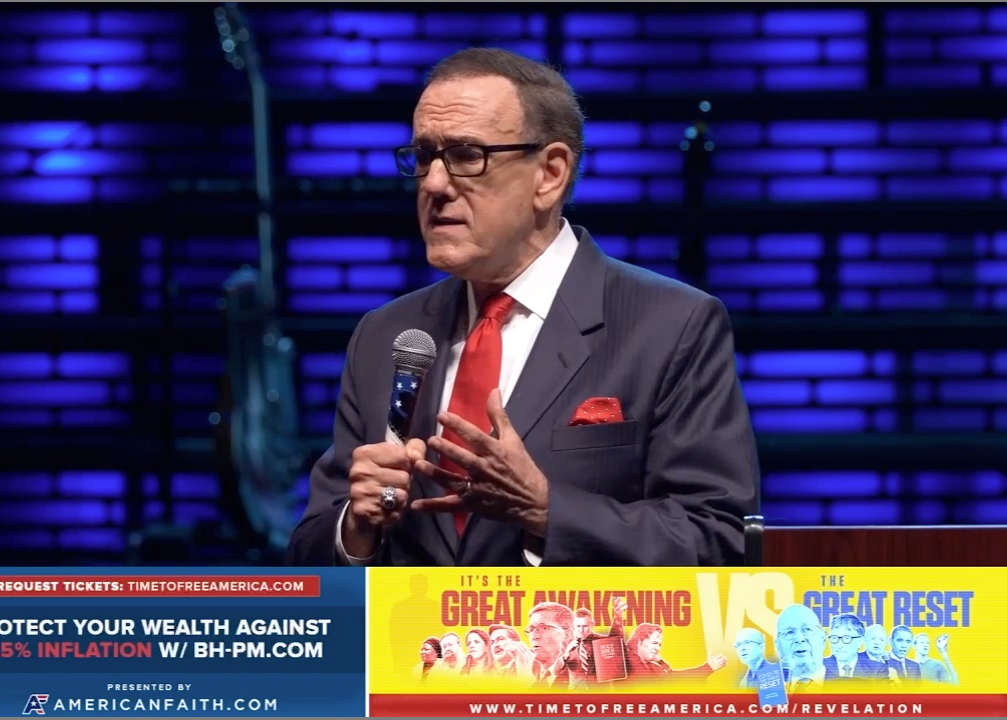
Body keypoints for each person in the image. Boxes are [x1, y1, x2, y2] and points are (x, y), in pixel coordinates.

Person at [284, 47, 759, 567]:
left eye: (467, 155)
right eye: (423, 157)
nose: (434, 184)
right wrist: (356, 530)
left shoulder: (671, 325)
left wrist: (548, 511)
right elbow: (309, 559)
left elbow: (720, 542)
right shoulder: (386, 334)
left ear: (549, 174)